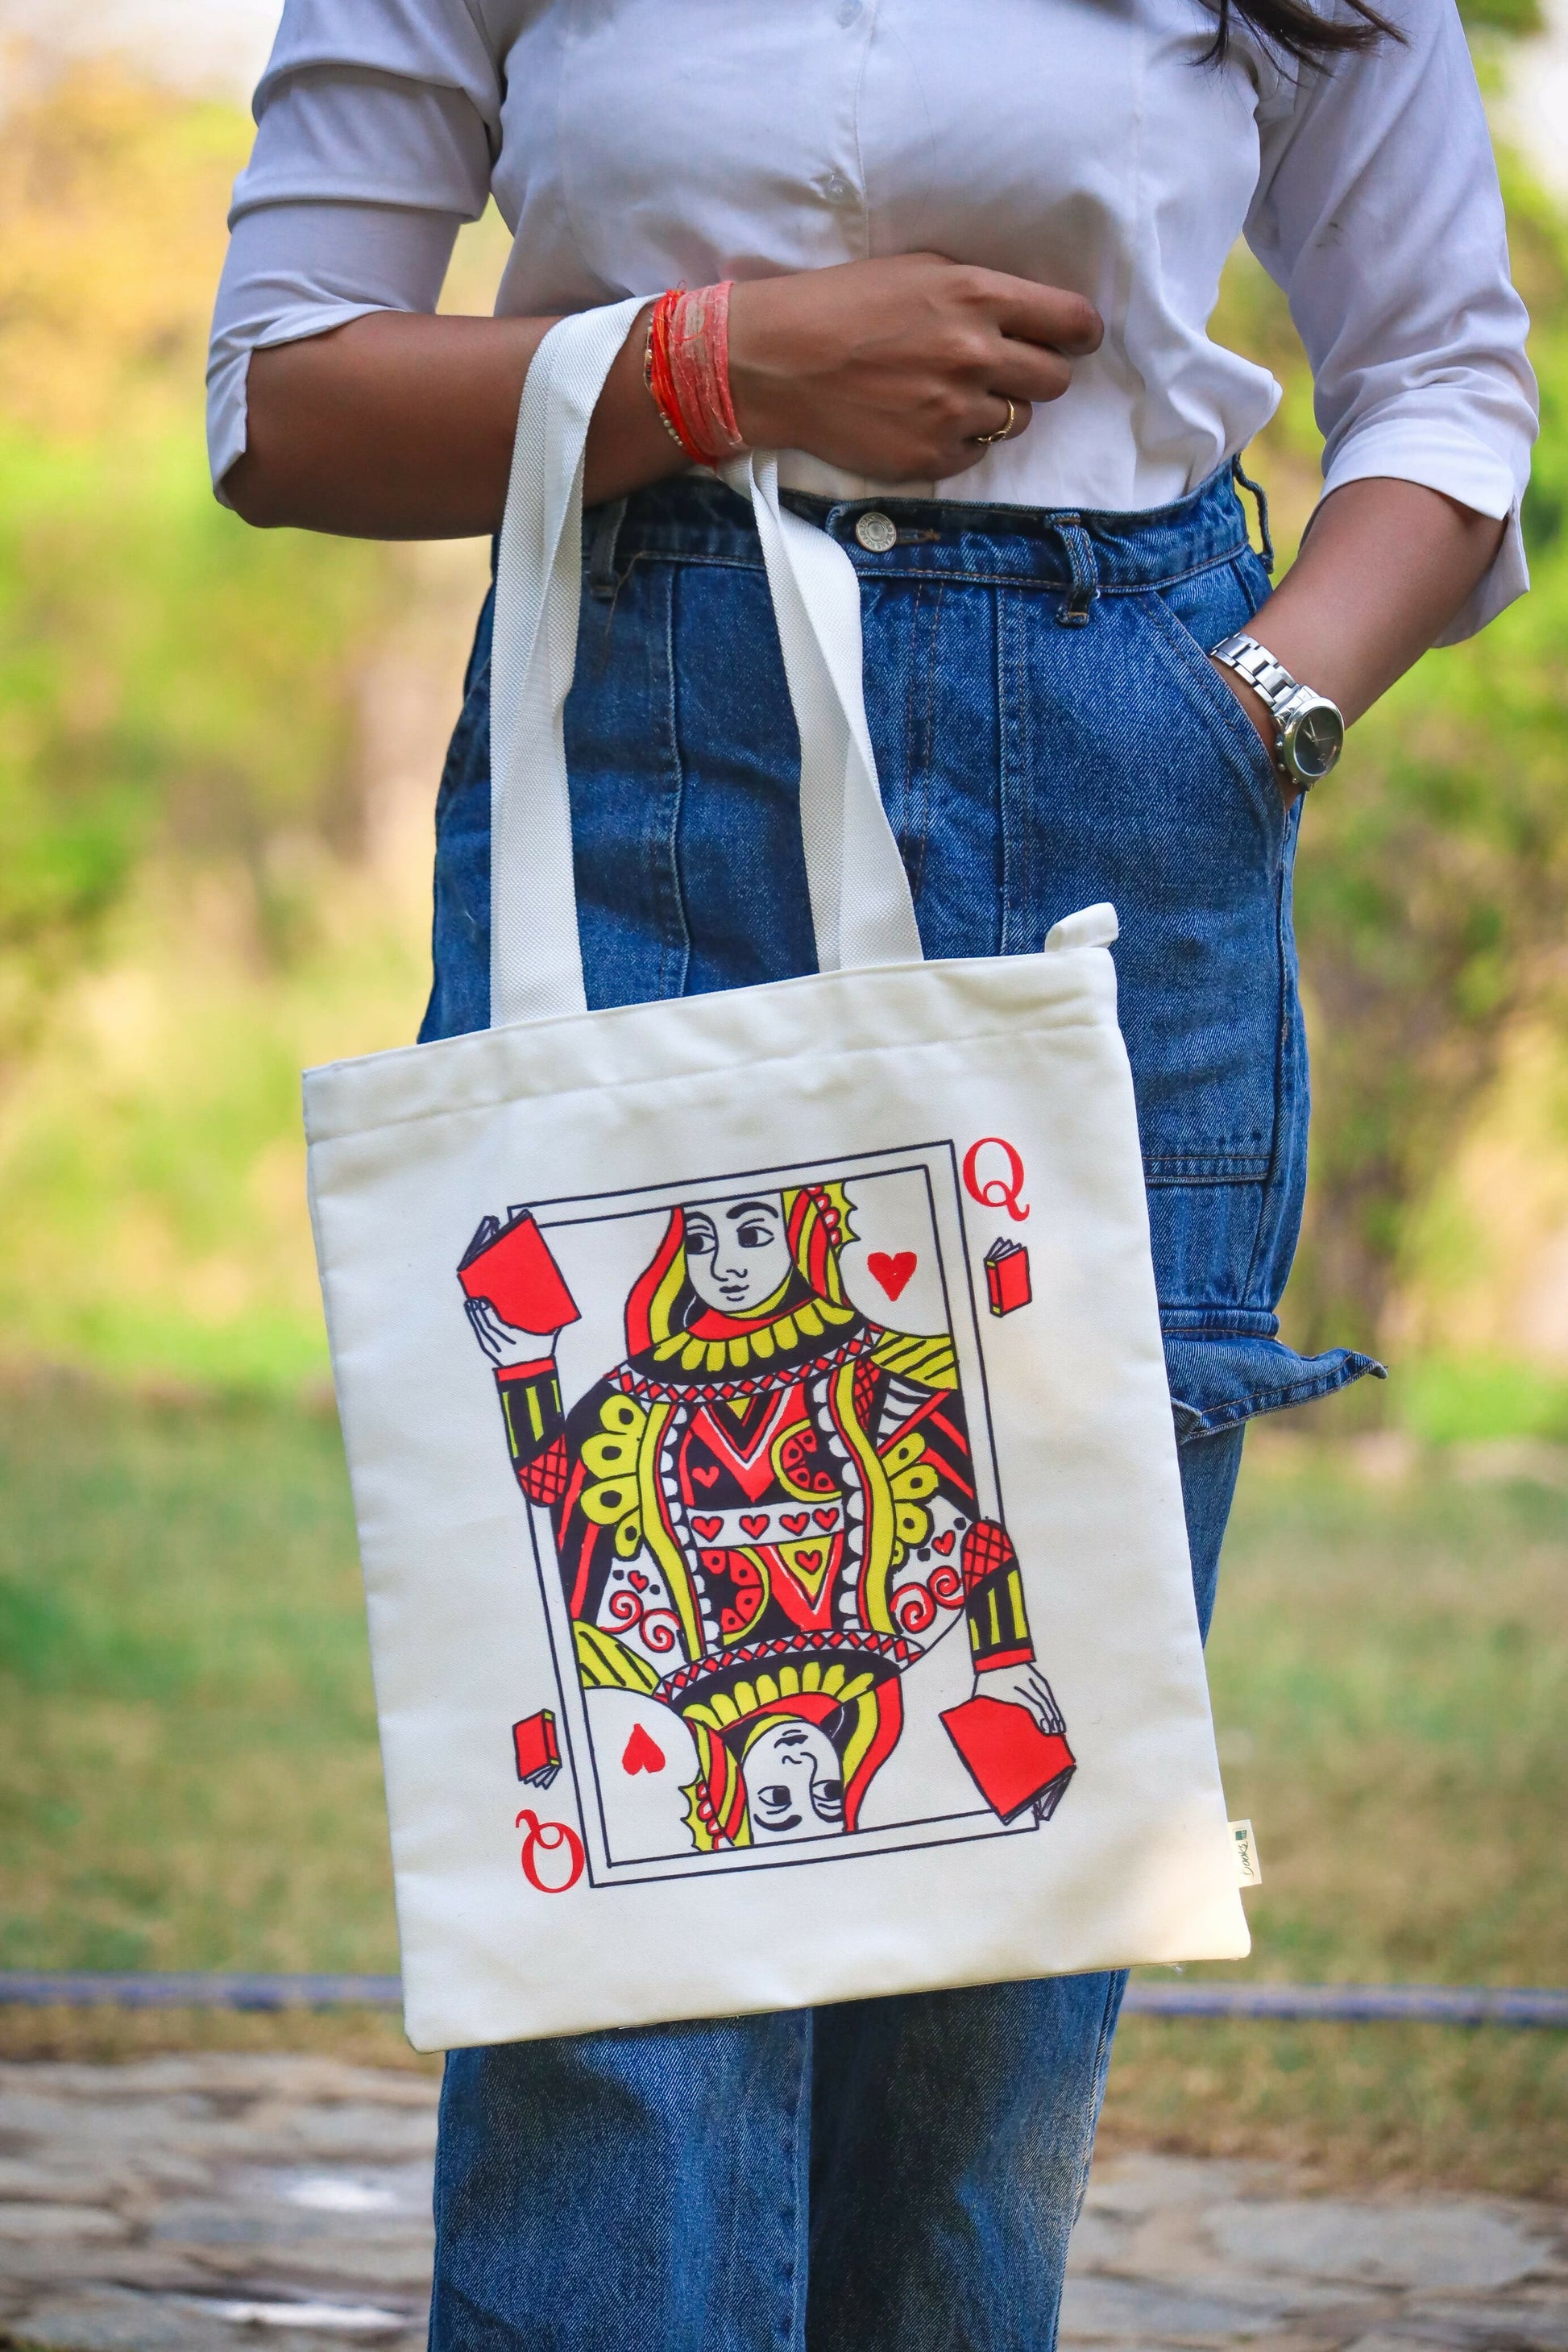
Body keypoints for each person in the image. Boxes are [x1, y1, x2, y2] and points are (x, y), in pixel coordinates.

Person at [207, 0, 1535, 2341]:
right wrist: (718, 366)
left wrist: (1251, 721)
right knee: (619, 1895)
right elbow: (285, 395)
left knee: (996, 1891)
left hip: (1115, 785)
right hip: (638, 768)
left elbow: (1445, 384)